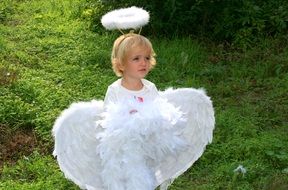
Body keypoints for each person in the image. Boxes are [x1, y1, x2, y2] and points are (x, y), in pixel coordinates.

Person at [52, 32, 215, 190]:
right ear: (121, 64)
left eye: (147, 58)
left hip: (146, 144)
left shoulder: (150, 88)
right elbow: (108, 121)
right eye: (136, 58)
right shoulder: (115, 90)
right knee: (124, 179)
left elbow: (159, 112)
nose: (143, 63)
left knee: (145, 177)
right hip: (123, 149)